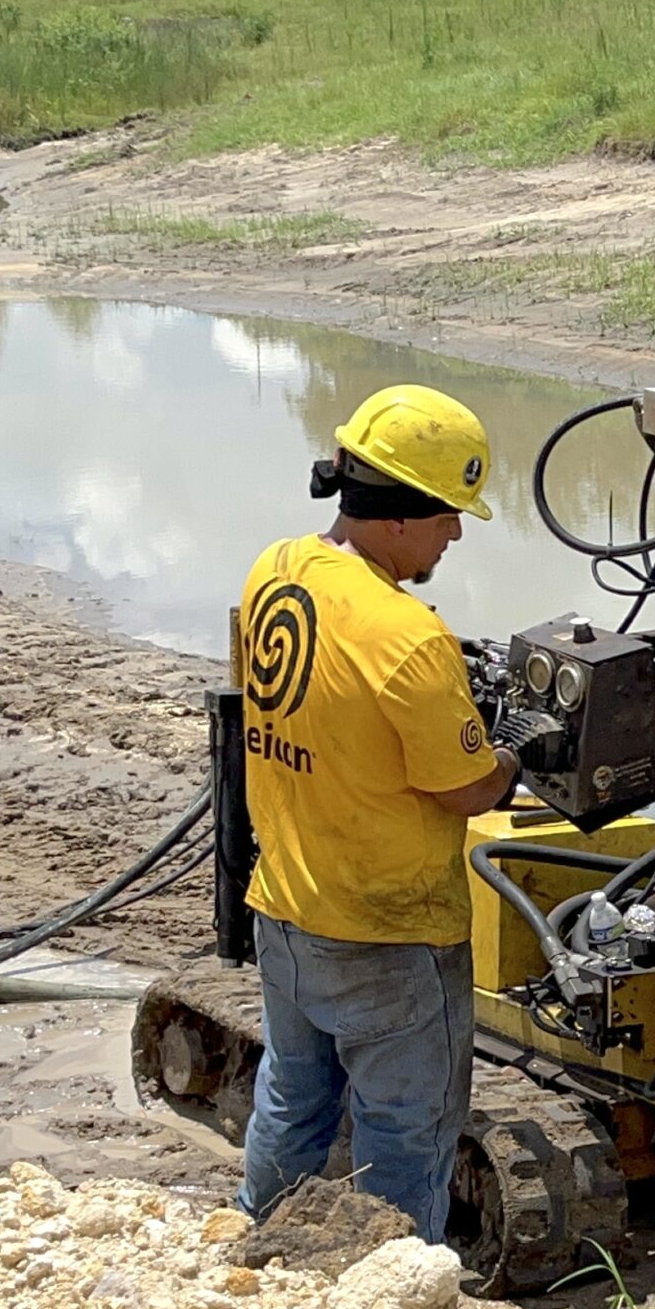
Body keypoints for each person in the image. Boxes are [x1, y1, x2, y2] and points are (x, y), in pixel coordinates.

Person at [231, 383, 519, 1238]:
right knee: (405, 1129)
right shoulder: (408, 637)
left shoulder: (276, 570)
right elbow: (467, 789)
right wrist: (516, 754)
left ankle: (263, 1239)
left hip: (285, 907)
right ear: (400, 516)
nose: (457, 534)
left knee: (293, 1100)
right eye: (448, 516)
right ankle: (389, 1289)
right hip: (389, 936)